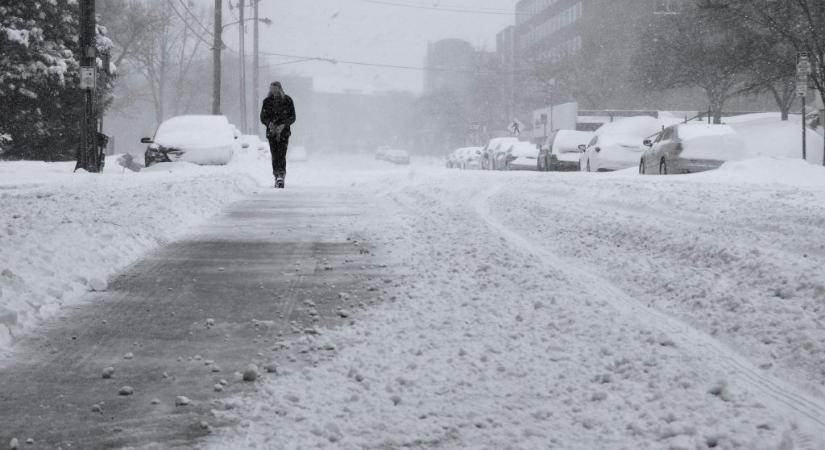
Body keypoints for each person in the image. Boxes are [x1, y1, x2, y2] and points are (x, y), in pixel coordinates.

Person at [260, 81, 296, 188]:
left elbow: (293, 117)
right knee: (274, 154)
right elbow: (263, 117)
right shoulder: (267, 101)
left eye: (275, 88)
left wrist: (284, 125)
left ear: (280, 89)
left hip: (284, 132)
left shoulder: (287, 100)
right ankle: (276, 175)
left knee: (282, 154)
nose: (273, 91)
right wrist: (269, 124)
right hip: (271, 132)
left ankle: (281, 175)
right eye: (272, 89)